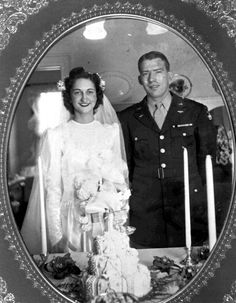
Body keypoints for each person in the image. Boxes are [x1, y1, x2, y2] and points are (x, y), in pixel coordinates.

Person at [21, 67, 130, 254]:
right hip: (71, 223)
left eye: (90, 92)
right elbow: (53, 188)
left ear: (97, 96)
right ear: (69, 97)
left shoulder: (110, 132)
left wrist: (119, 224)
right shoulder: (57, 135)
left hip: (105, 220)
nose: (84, 98)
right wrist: (56, 236)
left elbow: (120, 183)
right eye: (77, 93)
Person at [119, 51, 217, 248]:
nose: (152, 79)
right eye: (146, 73)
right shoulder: (128, 118)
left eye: (158, 71)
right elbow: (125, 167)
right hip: (146, 211)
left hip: (187, 208)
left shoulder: (195, 112)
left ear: (169, 75)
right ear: (140, 79)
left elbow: (206, 163)